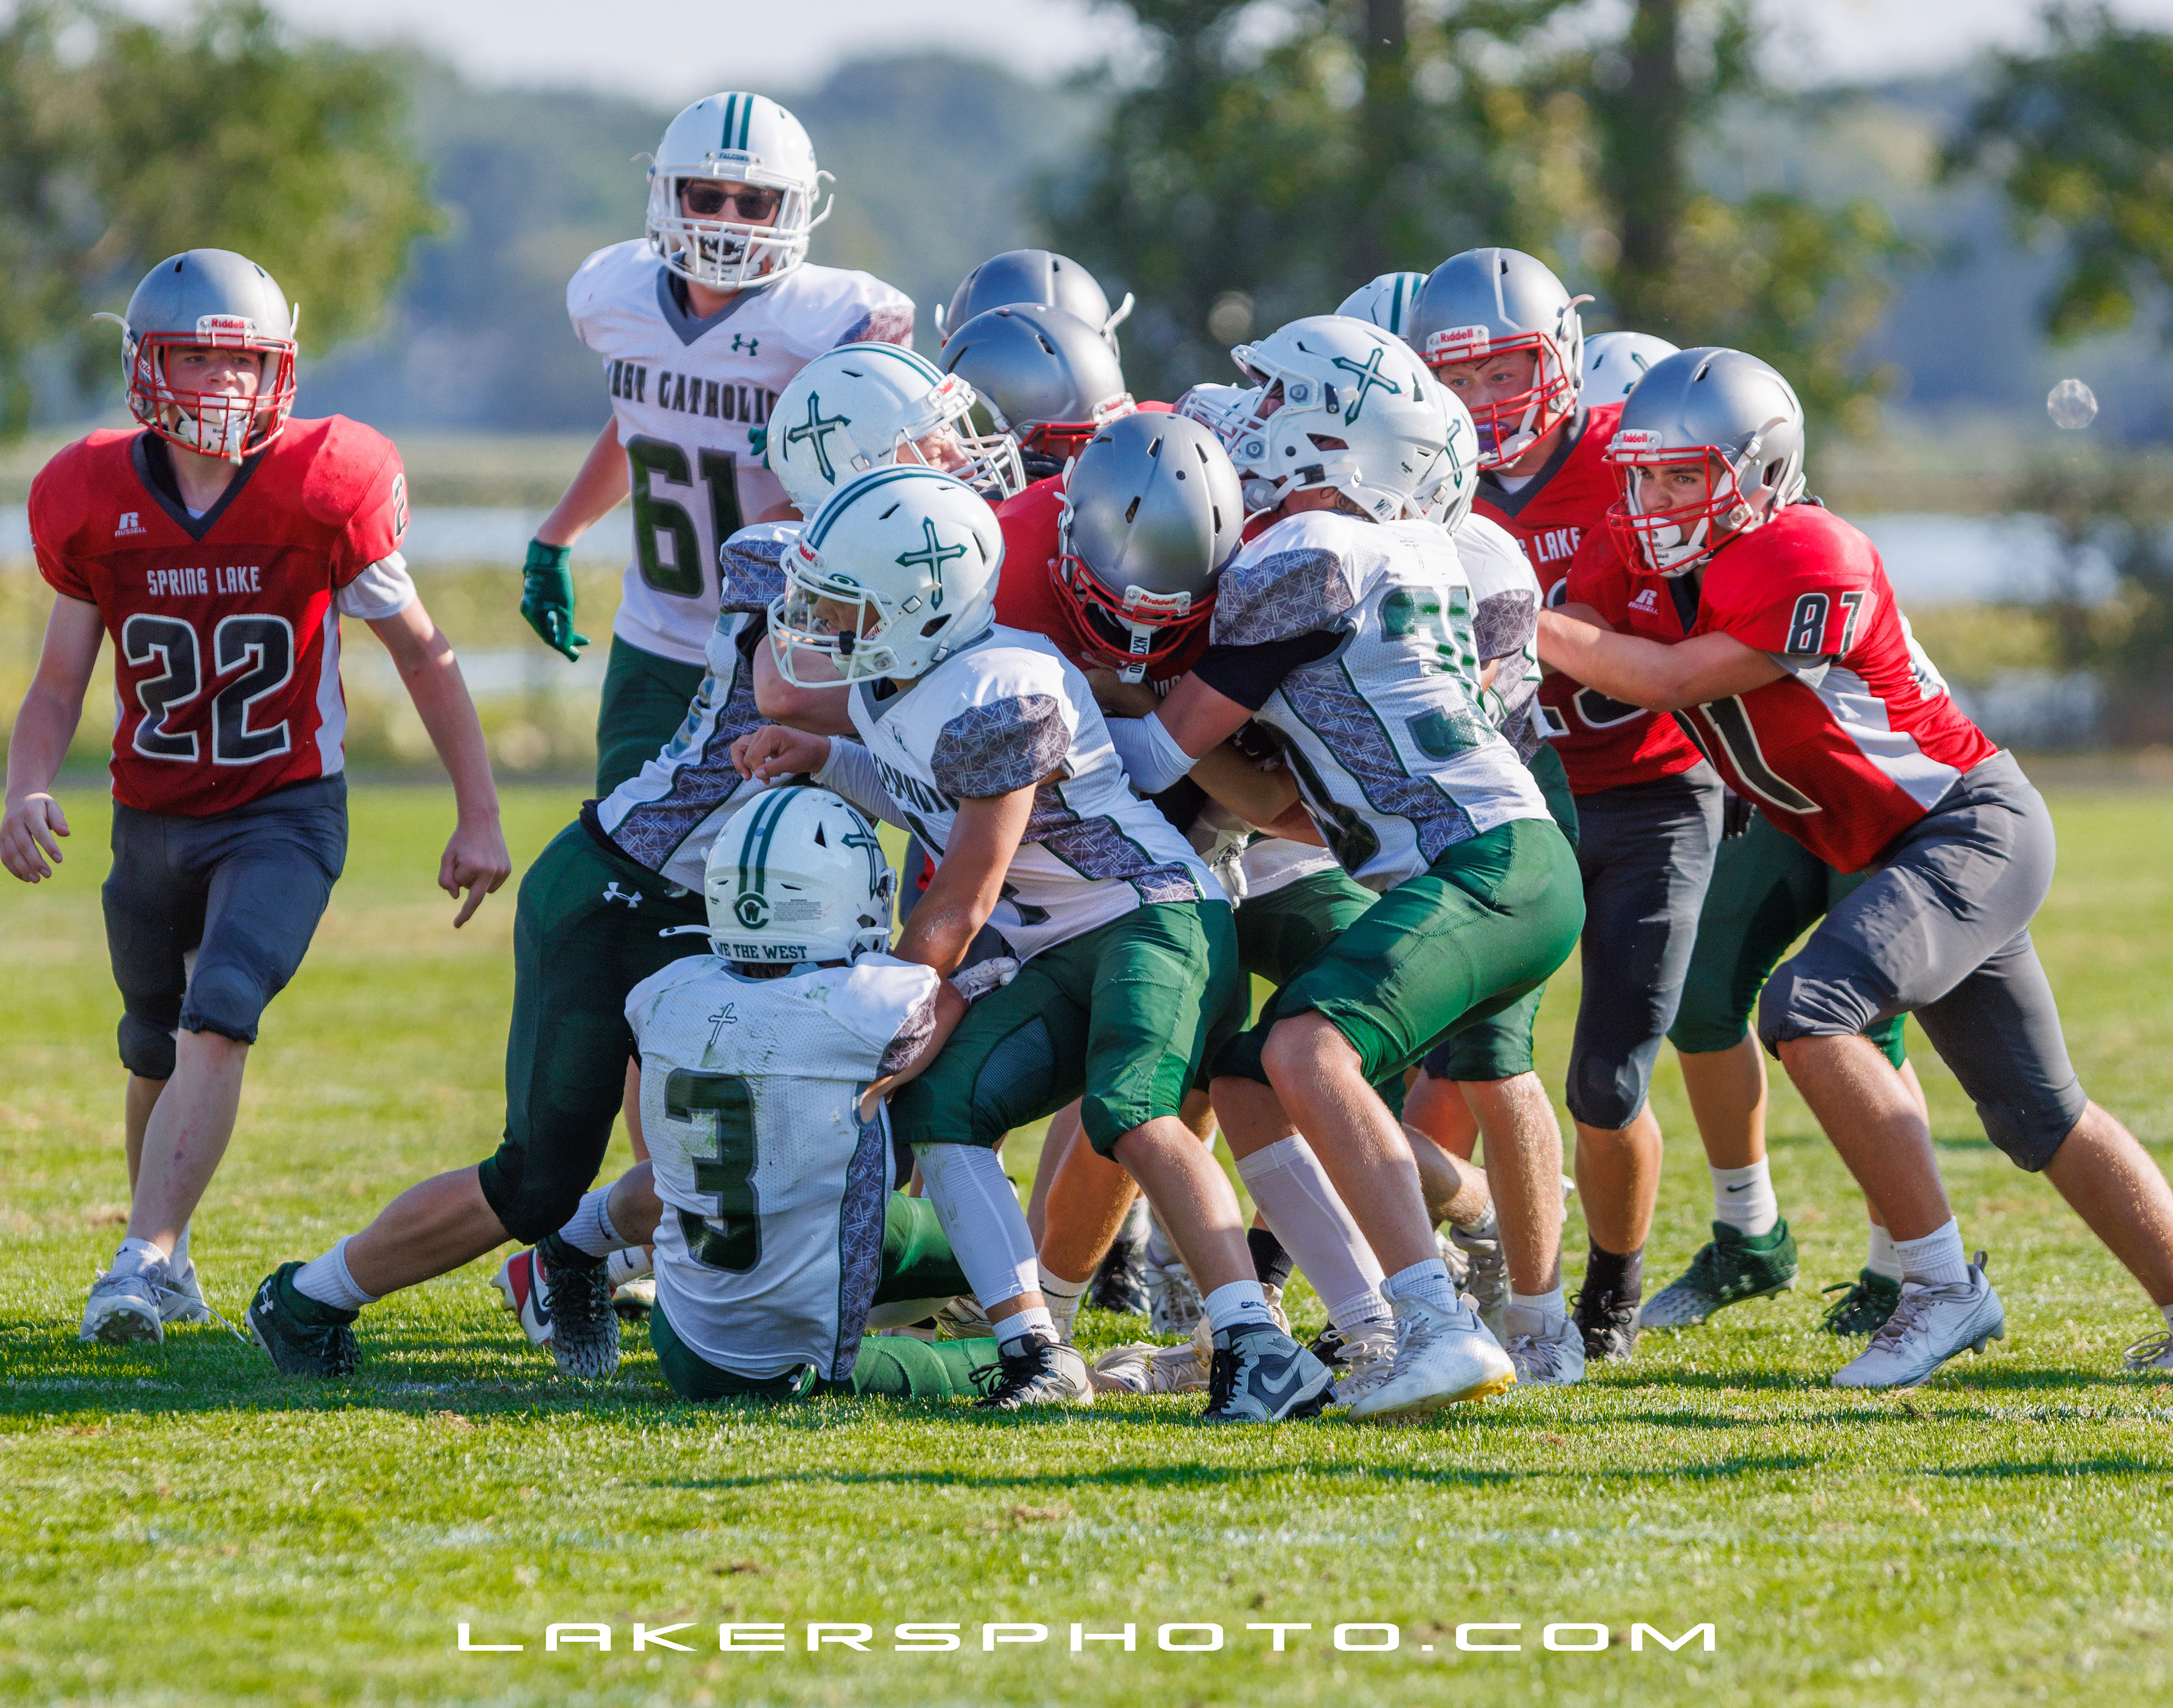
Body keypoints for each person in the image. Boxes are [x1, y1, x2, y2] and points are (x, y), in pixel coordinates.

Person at [247, 345, 1018, 1381]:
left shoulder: (905, 569)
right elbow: (786, 691)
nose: (957, 457)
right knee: (535, 1176)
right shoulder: (782, 551)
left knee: (776, 1132)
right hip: (623, 889)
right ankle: (308, 1297)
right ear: (864, 457)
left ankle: (581, 1252)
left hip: (733, 902)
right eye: (931, 439)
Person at [1538, 345, 2173, 1386]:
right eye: (1644, 476)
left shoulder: (1807, 552)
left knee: (1810, 1009)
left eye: (1686, 476)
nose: (1655, 502)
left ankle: (1938, 1286)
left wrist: (1523, 621)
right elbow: (1588, 633)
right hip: (1883, 843)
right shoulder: (1639, 550)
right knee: (2037, 1111)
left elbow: (1665, 676)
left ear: (1762, 470)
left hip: (1965, 826)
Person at [744, 465, 1335, 1421]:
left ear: (920, 605)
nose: (818, 620)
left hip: (1150, 917)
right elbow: (925, 794)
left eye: (843, 600)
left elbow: (963, 897)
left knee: (1132, 1109)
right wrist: (829, 758)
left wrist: (875, 1017)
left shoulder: (1001, 687)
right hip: (1057, 946)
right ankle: (1034, 1345)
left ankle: (1257, 1345)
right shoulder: (897, 685)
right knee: (944, 1106)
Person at [2, 249, 510, 1345]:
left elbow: (423, 654)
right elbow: (57, 682)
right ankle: (173, 1255)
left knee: (220, 1009)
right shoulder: (91, 493)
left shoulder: (324, 482)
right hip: (153, 813)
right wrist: (26, 784)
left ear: (284, 368)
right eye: (199, 357)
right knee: (154, 1041)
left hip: (283, 808)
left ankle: (137, 1260)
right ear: (146, 365)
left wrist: (479, 811)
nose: (227, 382)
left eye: (248, 362)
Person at [1104, 315, 1586, 1419]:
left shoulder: (1312, 552)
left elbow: (1161, 753)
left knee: (1308, 1048)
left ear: (1334, 430)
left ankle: (1438, 1325)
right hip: (1486, 860)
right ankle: (1376, 1326)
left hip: (1487, 860)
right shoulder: (1397, 547)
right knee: (1248, 1075)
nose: (1255, 423)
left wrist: (1091, 686)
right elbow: (1283, 808)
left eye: (1278, 400)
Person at [1409, 249, 1718, 1362]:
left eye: (1508, 370)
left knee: (1606, 1077)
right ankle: (1443, 1273)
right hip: (1507, 798)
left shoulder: (1638, 453)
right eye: (1462, 377)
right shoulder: (1417, 466)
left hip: (1648, 789)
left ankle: (1610, 1297)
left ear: (1565, 357)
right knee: (1451, 1060)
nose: (1486, 399)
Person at [562, 786, 1065, 1405]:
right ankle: (1060, 1355)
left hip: (684, 1335)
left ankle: (571, 1247)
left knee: (951, 1240)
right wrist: (973, 986)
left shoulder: (667, 992)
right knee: (980, 1336)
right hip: (772, 1365)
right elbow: (935, 1007)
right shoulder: (857, 1009)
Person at [514, 91, 914, 797]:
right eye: (706, 197)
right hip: (657, 642)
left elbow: (888, 489)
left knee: (789, 852)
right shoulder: (618, 296)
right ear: (670, 196)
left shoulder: (832, 322)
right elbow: (642, 424)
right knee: (624, 841)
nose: (728, 220)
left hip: (787, 650)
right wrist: (556, 537)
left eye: (754, 202)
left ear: (791, 209)